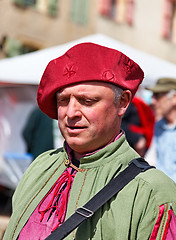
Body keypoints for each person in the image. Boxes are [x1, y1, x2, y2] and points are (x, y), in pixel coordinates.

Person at [3, 43, 176, 240]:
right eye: (63, 100)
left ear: (122, 102)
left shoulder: (152, 193)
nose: (71, 113)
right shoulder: (40, 167)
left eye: (87, 101)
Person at [145, 77, 176, 182]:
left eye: (157, 96)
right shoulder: (159, 125)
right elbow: (151, 160)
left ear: (174, 98)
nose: (152, 101)